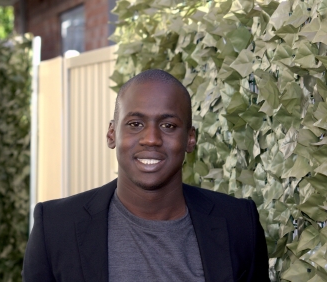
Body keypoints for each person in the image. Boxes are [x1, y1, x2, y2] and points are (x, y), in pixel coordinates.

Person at [22, 69, 269, 282]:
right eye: (135, 124)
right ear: (111, 134)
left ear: (190, 139)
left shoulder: (238, 224)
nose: (151, 138)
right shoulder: (55, 228)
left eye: (168, 126)